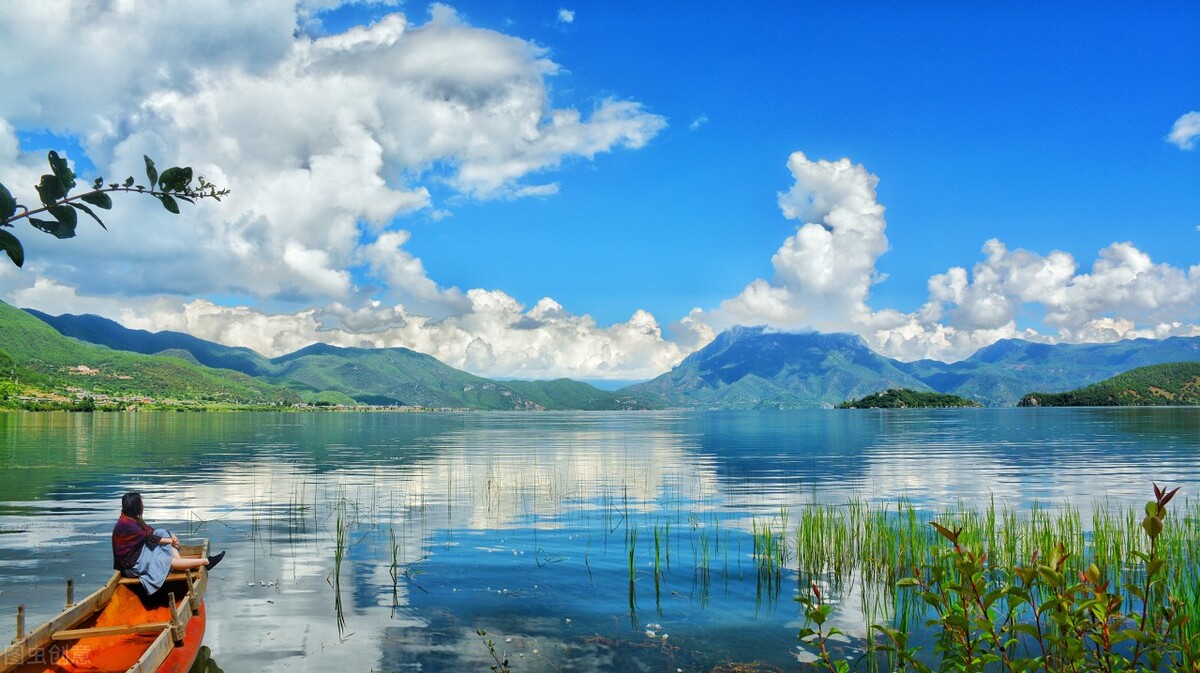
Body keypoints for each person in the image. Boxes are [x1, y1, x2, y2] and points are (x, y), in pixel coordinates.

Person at [112, 492, 225, 594]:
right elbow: (151, 538)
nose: (143, 505)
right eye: (141, 502)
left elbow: (149, 531)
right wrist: (171, 541)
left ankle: (179, 563)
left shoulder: (130, 518)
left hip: (136, 554)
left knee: (161, 532)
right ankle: (205, 561)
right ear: (136, 506)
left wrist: (171, 536)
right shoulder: (127, 524)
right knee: (164, 559)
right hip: (130, 566)